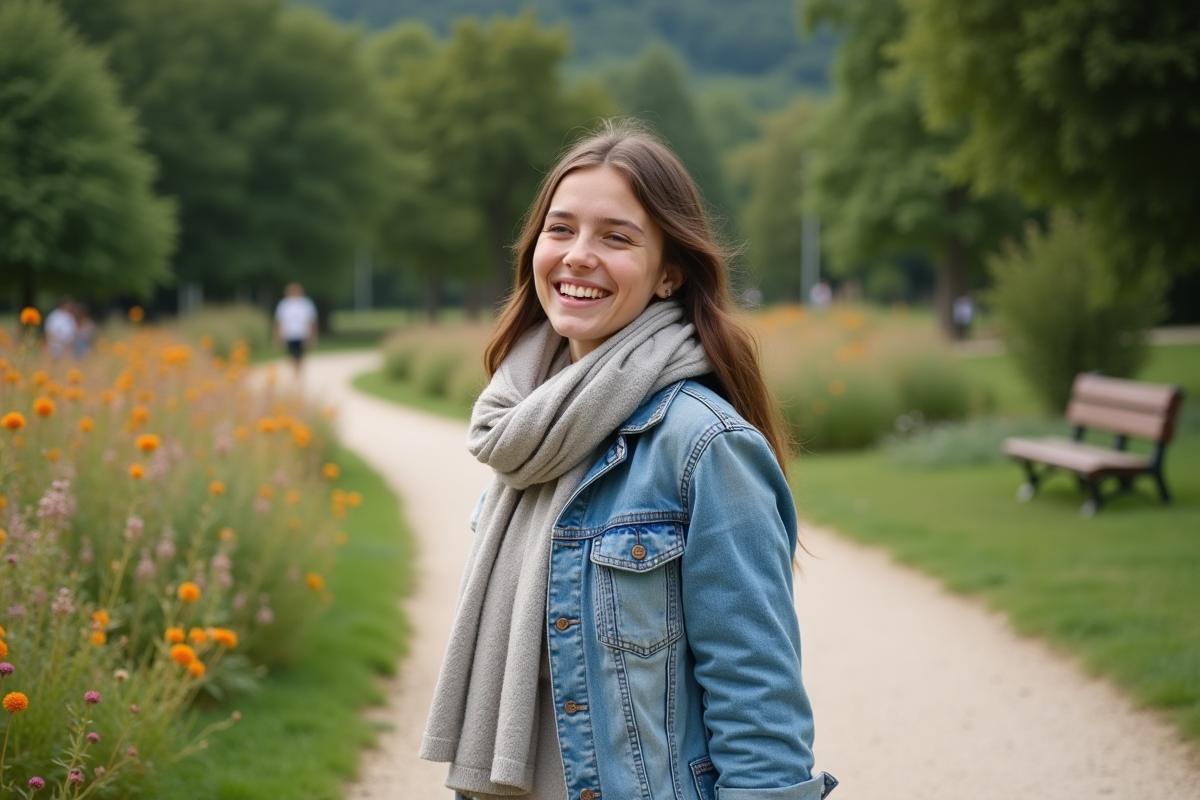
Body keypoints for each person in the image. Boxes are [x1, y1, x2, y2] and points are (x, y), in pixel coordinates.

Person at [422, 121, 837, 800]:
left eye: (616, 238)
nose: (578, 256)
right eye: (561, 230)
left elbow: (756, 693)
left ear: (669, 273)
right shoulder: (528, 426)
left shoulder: (704, 446)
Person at [273, 283, 317, 376]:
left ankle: (299, 374)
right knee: (291, 356)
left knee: (300, 356)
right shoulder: (283, 304)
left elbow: (311, 321)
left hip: (302, 334)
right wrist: (277, 337)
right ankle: (295, 374)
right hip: (288, 334)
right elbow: (279, 322)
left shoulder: (306, 304)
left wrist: (312, 336)